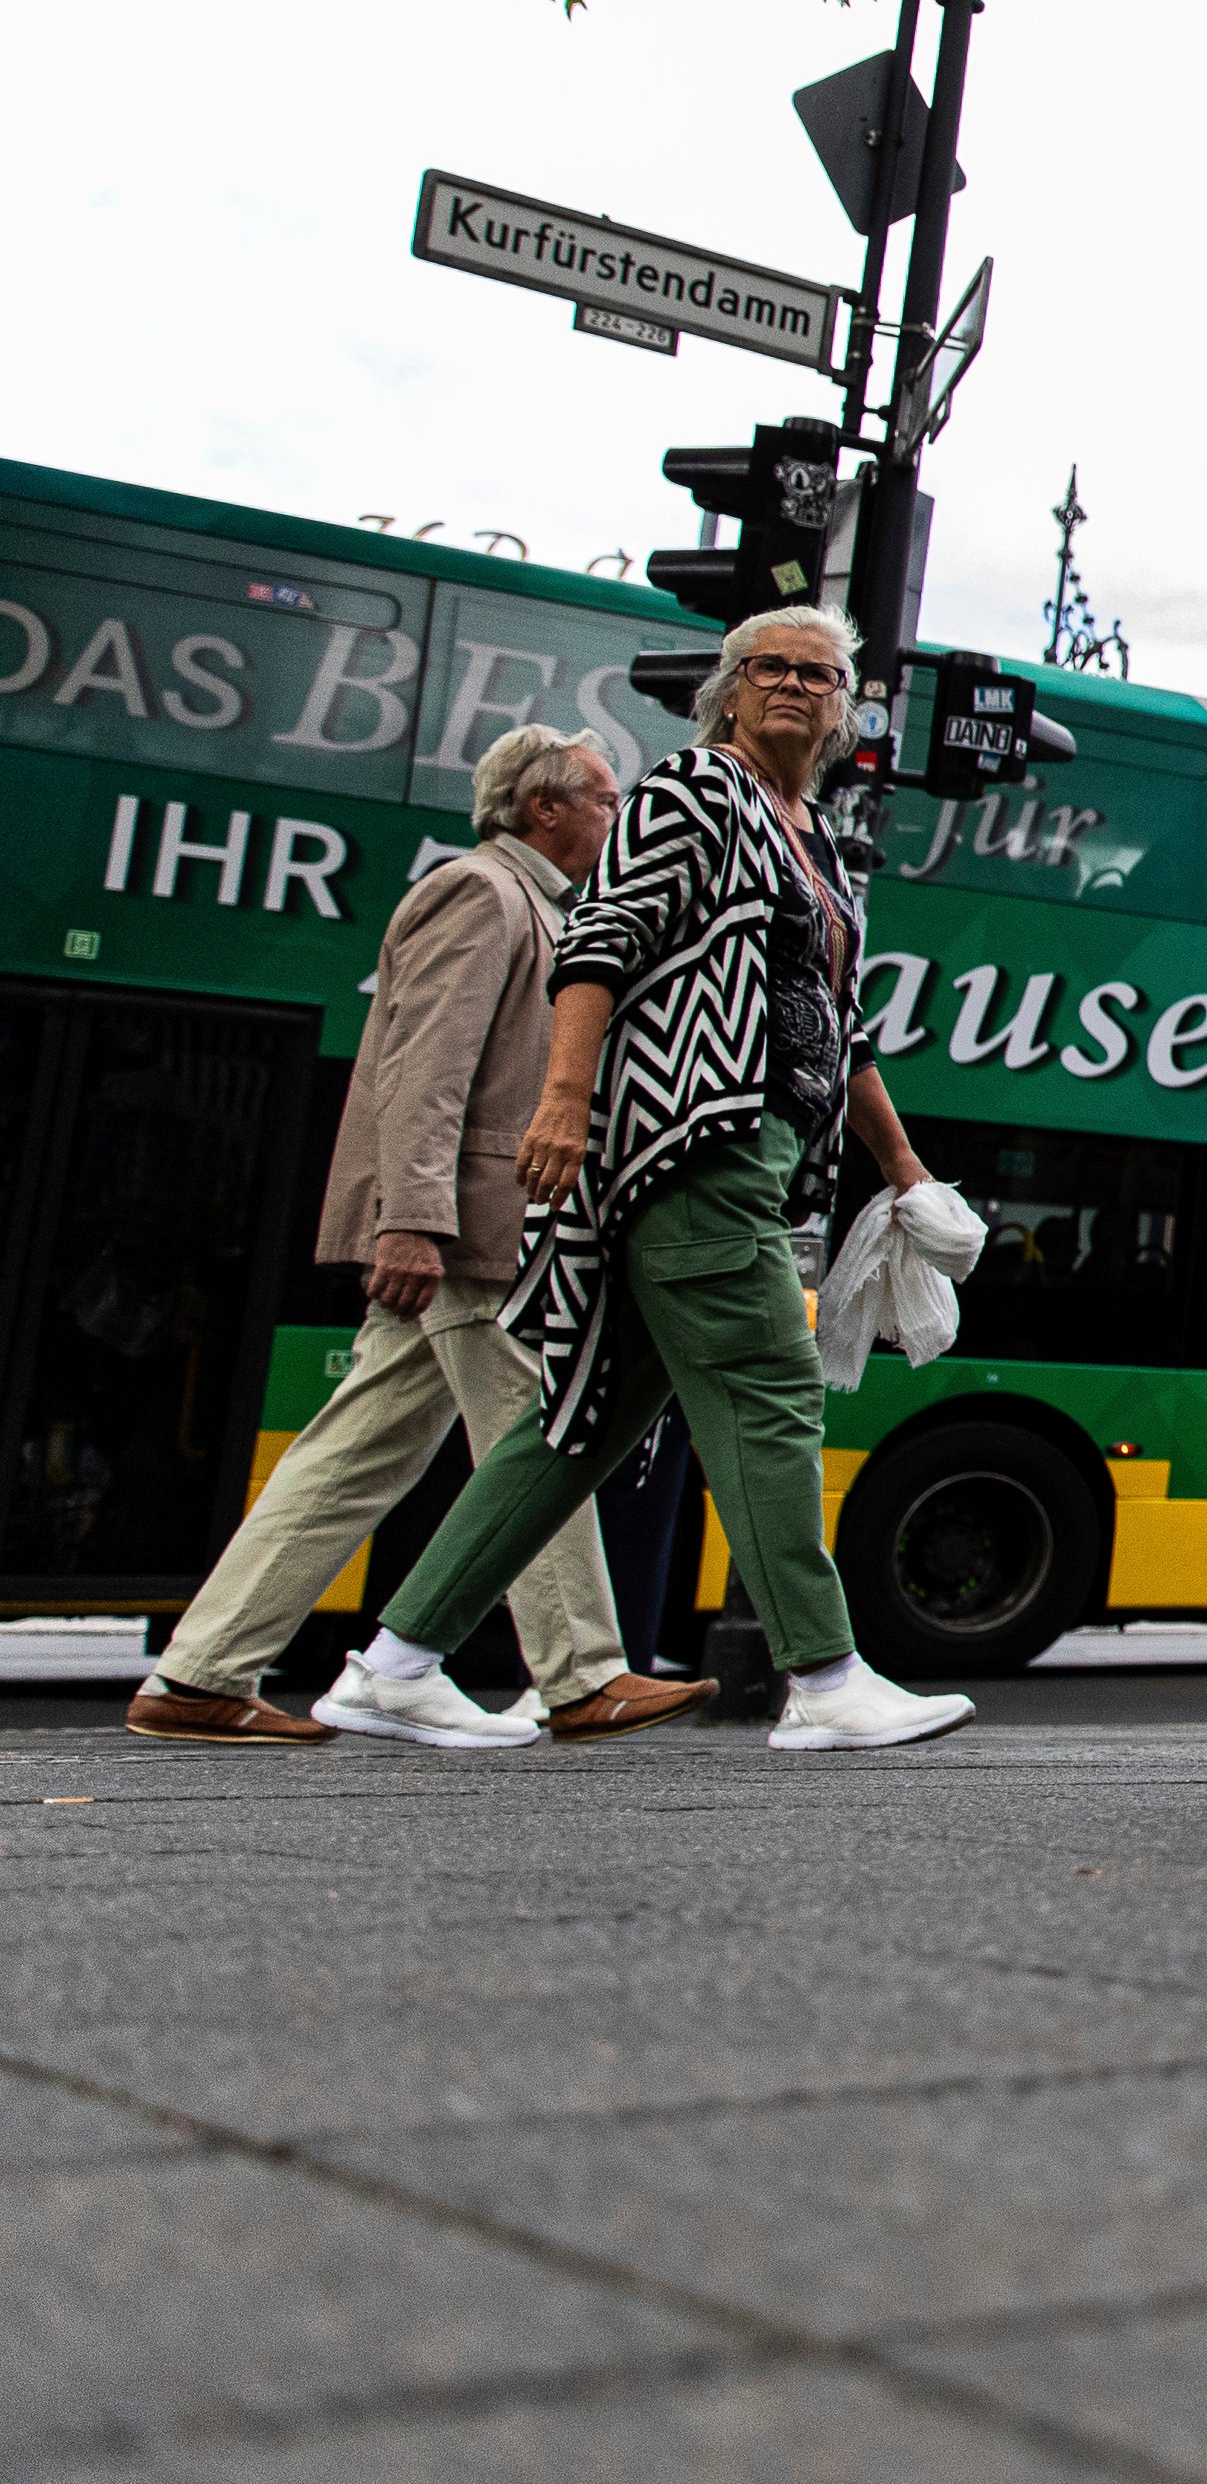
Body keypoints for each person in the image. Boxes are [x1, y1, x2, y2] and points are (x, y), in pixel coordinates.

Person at [319, 608, 977, 1752]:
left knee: (576, 1426)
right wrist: (563, 1105)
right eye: (766, 667)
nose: (789, 685)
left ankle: (393, 1665)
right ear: (728, 691)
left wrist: (906, 1172)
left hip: (764, 1154)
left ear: (844, 710)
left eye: (816, 674)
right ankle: (823, 1678)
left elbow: (839, 1025)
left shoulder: (814, 836)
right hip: (690, 1142)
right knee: (773, 1390)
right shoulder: (688, 793)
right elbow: (599, 943)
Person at [129, 728, 701, 1746]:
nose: (618, 819)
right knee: (546, 1433)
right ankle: (582, 1673)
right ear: (544, 808)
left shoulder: (536, 906)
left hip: (463, 1229)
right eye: (607, 800)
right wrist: (412, 1221)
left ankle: (201, 1672)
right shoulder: (479, 894)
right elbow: (423, 1071)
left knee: (352, 1457)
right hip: (464, 1232)